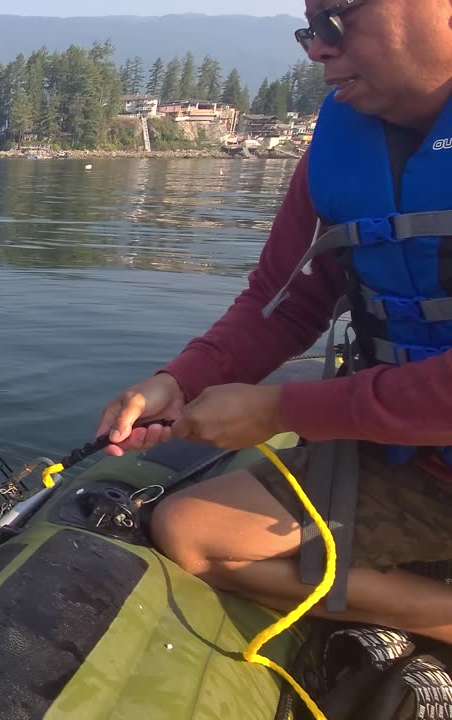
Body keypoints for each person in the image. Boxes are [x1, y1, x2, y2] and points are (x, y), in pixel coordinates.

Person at [96, 0, 452, 643]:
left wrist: (284, 410)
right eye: (309, 30)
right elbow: (284, 300)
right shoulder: (339, 143)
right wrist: (181, 381)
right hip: (415, 459)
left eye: (337, 21)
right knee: (188, 532)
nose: (318, 48)